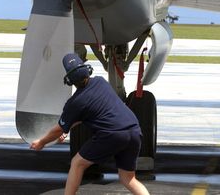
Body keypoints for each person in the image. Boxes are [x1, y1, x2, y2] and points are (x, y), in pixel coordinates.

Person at [30, 53, 149, 195]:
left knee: (77, 163)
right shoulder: (101, 82)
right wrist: (66, 130)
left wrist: (42, 142)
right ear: (87, 70)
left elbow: (59, 128)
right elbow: (86, 115)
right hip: (134, 129)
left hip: (112, 134)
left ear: (69, 80)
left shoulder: (75, 103)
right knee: (128, 178)